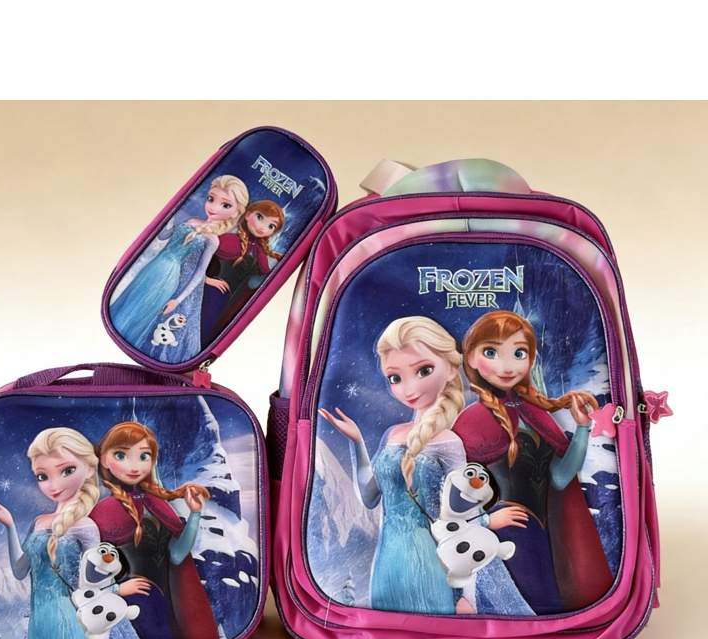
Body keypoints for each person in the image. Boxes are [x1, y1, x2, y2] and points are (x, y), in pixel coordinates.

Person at [319, 316, 528, 615]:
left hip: (433, 558)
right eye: (395, 378)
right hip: (388, 558)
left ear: (451, 368)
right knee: (387, 628)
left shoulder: (449, 442)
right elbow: (369, 496)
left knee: (434, 624)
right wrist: (357, 442)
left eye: (424, 370)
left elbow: (462, 514)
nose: (409, 388)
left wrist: (464, 595)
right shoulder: (393, 435)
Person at [451, 309, 614, 613]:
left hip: (542, 533)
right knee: (513, 607)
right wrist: (486, 519)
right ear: (471, 358)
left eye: (518, 353)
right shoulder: (469, 421)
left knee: (544, 605)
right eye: (491, 352)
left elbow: (561, 478)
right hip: (499, 535)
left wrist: (582, 428)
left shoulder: (533, 411)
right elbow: (451, 494)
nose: (507, 366)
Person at [0, 427, 149, 639]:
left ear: (89, 468)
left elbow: (95, 578)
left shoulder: (86, 526)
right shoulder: (38, 521)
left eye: (67, 470)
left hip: (71, 615)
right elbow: (20, 571)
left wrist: (116, 589)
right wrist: (10, 526)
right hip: (39, 617)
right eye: (43, 476)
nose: (53, 485)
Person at [90, 421, 220, 639]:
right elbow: (89, 568)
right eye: (121, 455)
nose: (134, 466)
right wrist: (117, 588)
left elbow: (177, 556)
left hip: (163, 599)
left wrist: (195, 514)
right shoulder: (103, 510)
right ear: (104, 460)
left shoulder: (157, 503)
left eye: (144, 456)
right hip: (128, 602)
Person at [109, 174, 249, 363]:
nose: (214, 207)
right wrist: (168, 221)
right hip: (153, 267)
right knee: (132, 301)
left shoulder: (213, 239)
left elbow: (199, 272)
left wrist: (177, 300)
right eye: (211, 199)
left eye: (225, 205)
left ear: (235, 212)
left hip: (168, 276)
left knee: (145, 310)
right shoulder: (191, 221)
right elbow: (163, 239)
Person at [200, 199, 284, 342]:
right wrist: (206, 279)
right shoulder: (228, 239)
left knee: (207, 328)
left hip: (226, 300)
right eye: (259, 217)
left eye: (271, 226)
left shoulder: (259, 251)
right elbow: (197, 257)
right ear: (247, 214)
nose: (262, 227)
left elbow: (262, 274)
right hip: (208, 291)